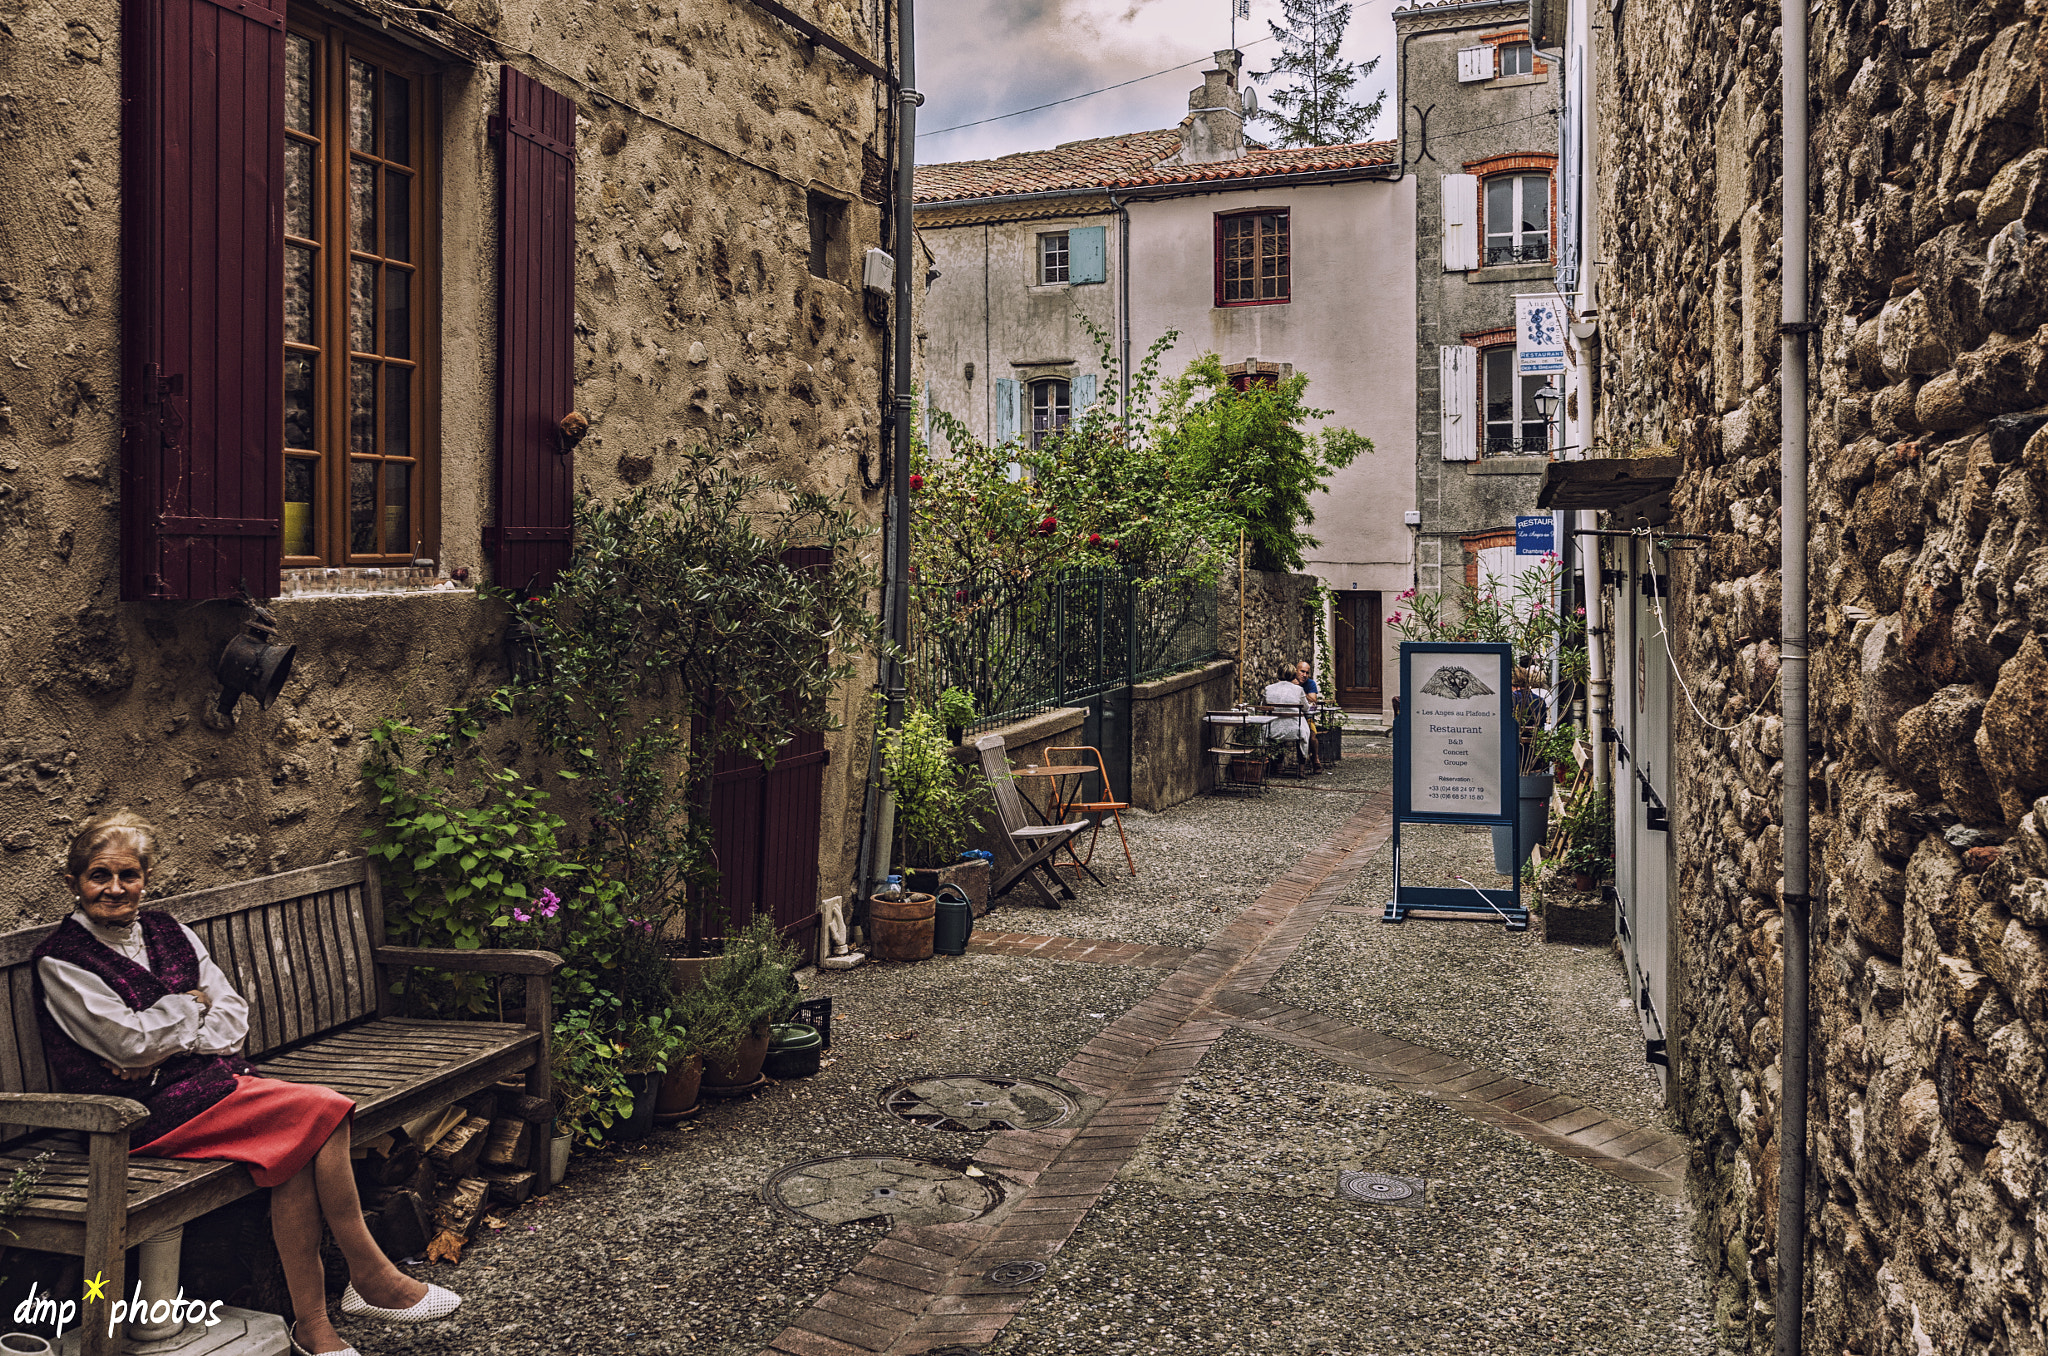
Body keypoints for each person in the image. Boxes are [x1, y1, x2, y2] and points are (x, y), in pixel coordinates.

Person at [34, 812, 460, 1356]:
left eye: (128, 875)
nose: (115, 889)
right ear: (74, 883)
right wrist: (190, 1008)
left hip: (210, 1086)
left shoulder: (171, 931)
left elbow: (233, 1019)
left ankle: (315, 1327)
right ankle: (369, 1277)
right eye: (99, 875)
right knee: (326, 1110)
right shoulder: (60, 960)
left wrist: (167, 1032)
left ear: (145, 877)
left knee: (302, 1147)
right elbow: (127, 1047)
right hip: (133, 1116)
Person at [1260, 661, 1313, 774]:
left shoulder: (1269, 688)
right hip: (1295, 728)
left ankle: (1279, 767)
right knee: (1303, 734)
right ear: (1293, 675)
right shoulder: (1298, 690)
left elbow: (1263, 706)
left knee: (1278, 736)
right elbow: (1306, 708)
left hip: (1273, 728)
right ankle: (1301, 770)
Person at [1293, 660, 1325, 771]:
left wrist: (1300, 691)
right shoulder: (1288, 682)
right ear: (1296, 671)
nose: (1305, 675)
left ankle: (1315, 758)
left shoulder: (1310, 683)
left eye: (1307, 673)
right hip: (1292, 717)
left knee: (1312, 735)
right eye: (1302, 672)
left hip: (1307, 717)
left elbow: (1313, 701)